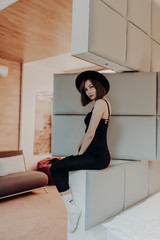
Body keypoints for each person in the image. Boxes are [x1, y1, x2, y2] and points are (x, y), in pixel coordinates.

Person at [50, 70, 111, 233]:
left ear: (98, 86)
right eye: (85, 89)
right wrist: (77, 150)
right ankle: (70, 205)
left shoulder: (101, 103)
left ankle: (71, 208)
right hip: (92, 154)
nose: (89, 91)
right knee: (57, 164)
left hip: (98, 157)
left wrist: (80, 154)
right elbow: (86, 133)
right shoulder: (100, 103)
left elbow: (91, 134)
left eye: (91, 87)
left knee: (54, 168)